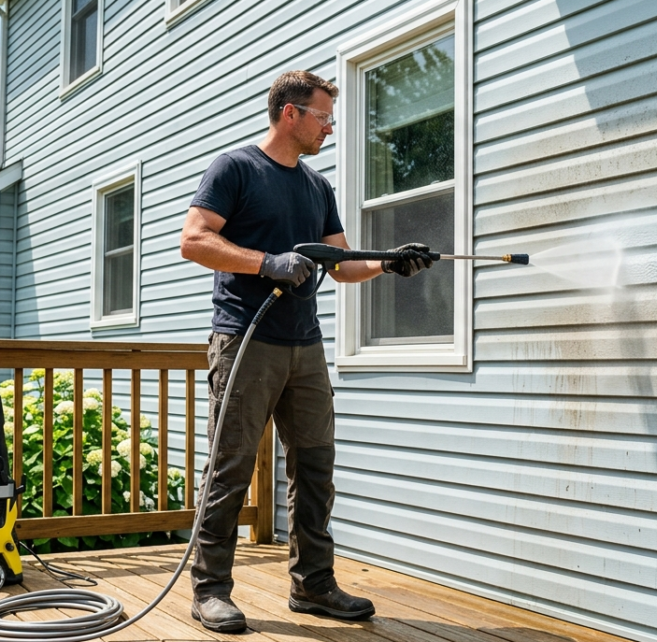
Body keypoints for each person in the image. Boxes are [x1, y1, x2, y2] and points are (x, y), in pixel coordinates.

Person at [179, 70, 435, 633]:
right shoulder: (236, 168)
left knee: (316, 467)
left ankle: (313, 584)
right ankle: (210, 590)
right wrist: (266, 262)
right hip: (245, 340)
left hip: (305, 346)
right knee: (231, 468)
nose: (329, 127)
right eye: (322, 116)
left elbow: (342, 266)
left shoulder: (317, 186)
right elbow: (194, 240)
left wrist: (391, 261)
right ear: (289, 113)